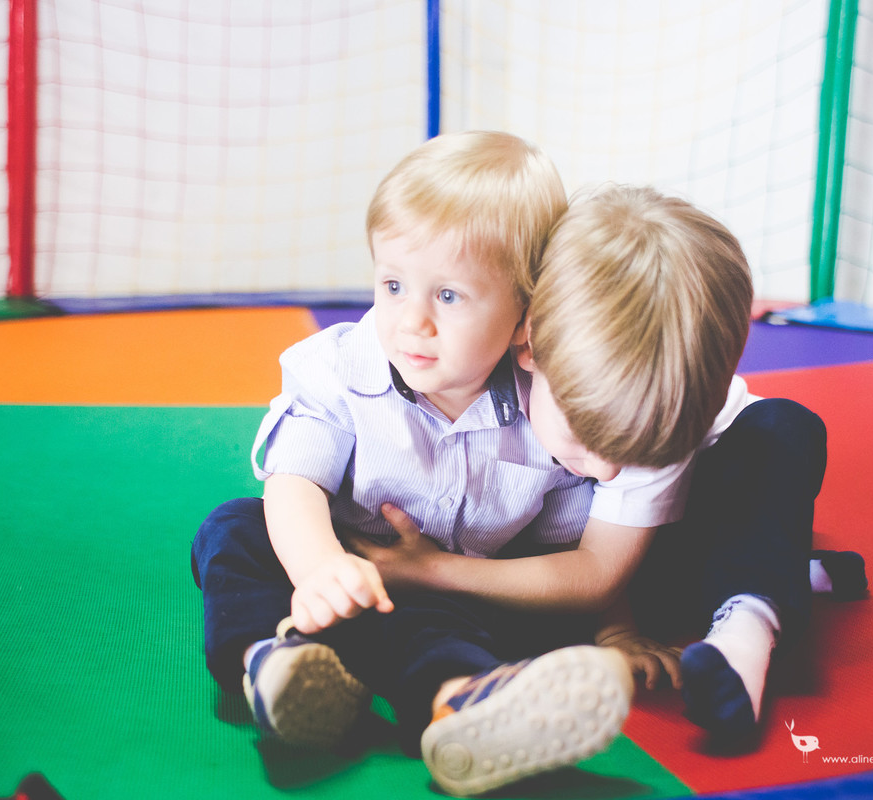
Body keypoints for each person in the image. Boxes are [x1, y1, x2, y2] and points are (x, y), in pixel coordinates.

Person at [190, 132, 635, 797]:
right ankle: (273, 660)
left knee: (440, 629)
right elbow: (294, 480)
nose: (411, 322)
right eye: (393, 285)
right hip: (343, 567)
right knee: (233, 528)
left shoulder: (550, 409)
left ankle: (463, 704)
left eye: (449, 297)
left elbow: (584, 543)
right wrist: (321, 571)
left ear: (524, 317)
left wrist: (624, 618)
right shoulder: (342, 369)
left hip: (466, 593)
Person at [350, 184, 867, 745]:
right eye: (586, 440)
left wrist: (434, 569)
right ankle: (779, 567)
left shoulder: (661, 404)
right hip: (590, 565)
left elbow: (597, 575)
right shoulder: (505, 355)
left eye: (638, 452)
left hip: (639, 550)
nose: (609, 470)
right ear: (529, 347)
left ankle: (748, 624)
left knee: (783, 429)